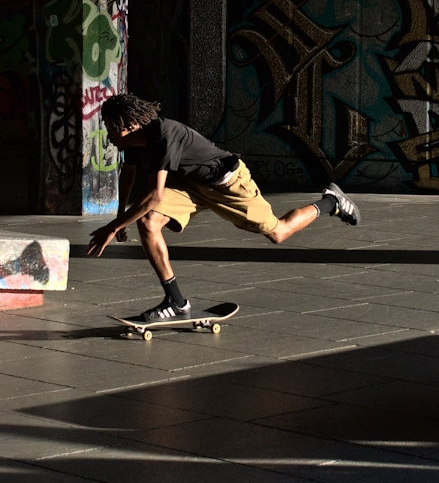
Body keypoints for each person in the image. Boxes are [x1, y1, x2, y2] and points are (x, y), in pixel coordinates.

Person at [86, 94, 360, 321]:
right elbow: (128, 173)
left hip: (229, 183)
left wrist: (112, 227)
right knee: (147, 222)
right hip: (191, 186)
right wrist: (122, 215)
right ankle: (176, 301)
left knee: (278, 232)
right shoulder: (134, 139)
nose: (108, 133)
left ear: (130, 124)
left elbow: (155, 195)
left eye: (111, 127)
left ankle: (332, 202)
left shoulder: (164, 135)